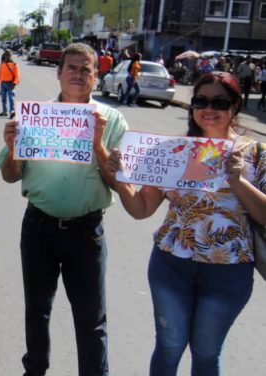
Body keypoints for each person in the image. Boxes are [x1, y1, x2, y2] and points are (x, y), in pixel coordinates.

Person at [105, 71, 265, 376]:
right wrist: (120, 179)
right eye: (201, 101)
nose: (209, 109)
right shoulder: (172, 150)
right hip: (170, 266)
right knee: (169, 346)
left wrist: (239, 181)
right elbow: (141, 209)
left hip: (228, 273)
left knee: (206, 353)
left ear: (235, 106)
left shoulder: (256, 153)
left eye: (219, 102)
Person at [0, 42, 129, 376]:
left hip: (86, 231)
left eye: (86, 69)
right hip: (38, 227)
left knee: (91, 319)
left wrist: (97, 142)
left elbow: (118, 183)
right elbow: (10, 175)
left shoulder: (112, 120)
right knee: (37, 311)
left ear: (96, 77)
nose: (78, 74)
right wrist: (13, 149)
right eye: (71, 67)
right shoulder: (33, 117)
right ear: (58, 73)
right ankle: (35, 370)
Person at [0, 49, 20, 117]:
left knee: (11, 98)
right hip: (3, 83)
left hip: (10, 84)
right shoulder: (2, 65)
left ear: (11, 56)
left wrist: (14, 83)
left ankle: (12, 111)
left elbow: (17, 76)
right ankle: (4, 111)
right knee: (3, 98)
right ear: (4, 56)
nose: (7, 56)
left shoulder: (14, 65)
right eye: (6, 55)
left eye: (8, 55)